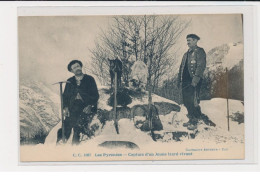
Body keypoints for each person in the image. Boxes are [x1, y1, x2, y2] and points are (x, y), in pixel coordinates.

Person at [177, 34, 215, 130]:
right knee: (186, 101)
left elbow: (201, 66)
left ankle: (194, 121)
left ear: (195, 41)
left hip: (193, 80)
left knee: (193, 100)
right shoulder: (185, 54)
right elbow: (181, 67)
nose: (188, 42)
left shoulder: (200, 52)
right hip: (185, 81)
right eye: (187, 40)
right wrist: (179, 80)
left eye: (189, 40)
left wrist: (195, 80)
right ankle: (193, 118)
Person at [57, 60, 99, 145]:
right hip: (73, 107)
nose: (77, 68)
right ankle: (60, 143)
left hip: (86, 107)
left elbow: (95, 95)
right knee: (66, 124)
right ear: (72, 71)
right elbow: (65, 96)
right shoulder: (69, 81)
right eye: (74, 68)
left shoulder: (89, 79)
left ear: (81, 66)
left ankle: (75, 146)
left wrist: (90, 105)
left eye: (78, 66)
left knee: (79, 126)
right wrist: (65, 107)